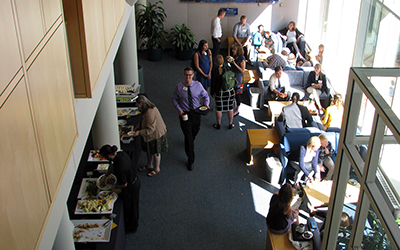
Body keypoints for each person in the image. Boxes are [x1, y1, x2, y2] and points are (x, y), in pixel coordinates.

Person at [172, 67, 210, 171]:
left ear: (193, 75)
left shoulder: (198, 85)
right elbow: (174, 99)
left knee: (195, 130)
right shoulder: (179, 87)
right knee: (188, 137)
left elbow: (205, 96)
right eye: (186, 75)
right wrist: (179, 110)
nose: (188, 77)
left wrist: (206, 104)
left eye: (190, 75)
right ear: (184, 75)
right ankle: (191, 159)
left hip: (196, 112)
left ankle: (189, 142)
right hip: (184, 113)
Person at [99, 144, 140, 232]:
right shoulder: (120, 154)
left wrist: (112, 187)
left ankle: (132, 227)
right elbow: (113, 165)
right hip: (134, 179)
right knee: (132, 206)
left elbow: (124, 185)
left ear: (108, 156)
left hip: (131, 186)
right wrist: (106, 176)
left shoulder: (120, 168)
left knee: (132, 208)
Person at [134, 95, 168, 177]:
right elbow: (142, 121)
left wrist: (139, 132)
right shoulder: (146, 110)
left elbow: (150, 129)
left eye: (137, 104)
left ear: (141, 104)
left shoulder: (150, 113)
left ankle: (157, 168)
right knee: (150, 150)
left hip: (156, 135)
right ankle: (149, 165)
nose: (136, 105)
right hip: (150, 135)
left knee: (156, 152)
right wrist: (137, 128)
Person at [211, 55, 235, 129]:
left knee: (219, 109)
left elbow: (213, 83)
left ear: (215, 62)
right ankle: (230, 124)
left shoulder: (215, 71)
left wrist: (212, 92)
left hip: (219, 92)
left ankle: (218, 124)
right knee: (230, 108)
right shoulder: (228, 68)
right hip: (229, 91)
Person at [227, 43, 246, 117]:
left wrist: (234, 63)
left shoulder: (242, 59)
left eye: (234, 49)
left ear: (238, 50)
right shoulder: (235, 56)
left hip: (238, 78)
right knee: (232, 92)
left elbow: (242, 70)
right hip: (232, 76)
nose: (232, 50)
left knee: (237, 94)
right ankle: (231, 106)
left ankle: (237, 109)